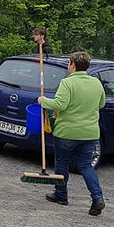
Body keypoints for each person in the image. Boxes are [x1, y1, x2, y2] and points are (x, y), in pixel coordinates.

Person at [37, 51, 106, 216]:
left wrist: (43, 101)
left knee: (62, 163)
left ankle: (61, 195)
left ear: (73, 65)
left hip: (67, 132)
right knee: (86, 166)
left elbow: (60, 104)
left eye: (69, 63)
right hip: (89, 133)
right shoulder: (96, 83)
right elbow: (101, 104)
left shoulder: (67, 83)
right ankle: (97, 197)